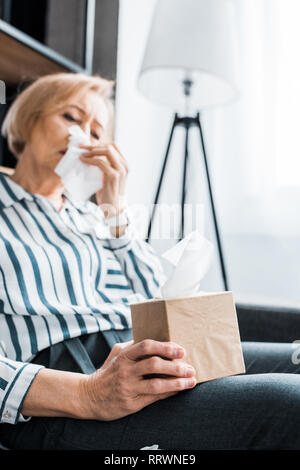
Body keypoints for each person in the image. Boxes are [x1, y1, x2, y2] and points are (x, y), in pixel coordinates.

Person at [0, 73, 300, 451]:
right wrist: (89, 393)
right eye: (72, 118)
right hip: (61, 391)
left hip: (134, 352)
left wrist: (115, 211)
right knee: (291, 404)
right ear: (29, 119)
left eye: (96, 132)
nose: (84, 139)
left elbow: (155, 300)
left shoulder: (90, 218)